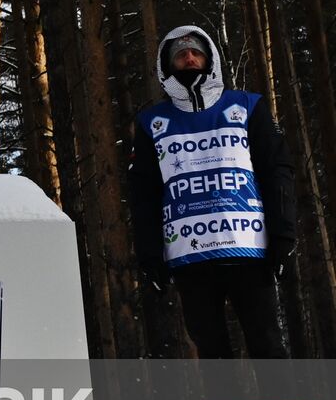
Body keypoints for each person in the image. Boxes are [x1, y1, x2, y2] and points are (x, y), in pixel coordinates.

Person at [126, 26, 295, 359]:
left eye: (196, 52)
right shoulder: (151, 122)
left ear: (210, 57)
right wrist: (149, 255)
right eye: (180, 54)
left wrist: (283, 233)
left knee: (268, 342)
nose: (189, 58)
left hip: (249, 248)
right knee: (212, 350)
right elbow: (143, 193)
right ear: (167, 65)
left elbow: (277, 170)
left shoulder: (247, 106)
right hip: (191, 255)